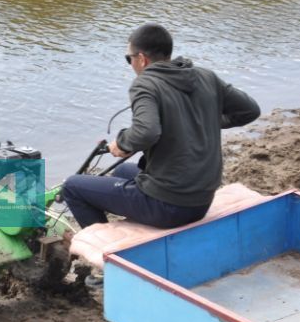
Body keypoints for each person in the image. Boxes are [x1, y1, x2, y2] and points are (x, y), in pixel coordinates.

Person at [61, 23, 260, 231]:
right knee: (121, 170)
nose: (130, 64)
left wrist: (121, 143)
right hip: (201, 199)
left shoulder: (145, 84)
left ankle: (108, 249)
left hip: (169, 207)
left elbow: (146, 132)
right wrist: (198, 121)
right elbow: (250, 110)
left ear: (141, 59)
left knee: (73, 186)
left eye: (128, 58)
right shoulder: (205, 76)